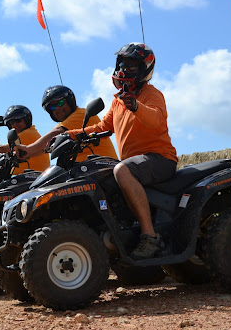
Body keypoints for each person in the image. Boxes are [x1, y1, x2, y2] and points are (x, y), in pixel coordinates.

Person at [65, 43, 177, 260]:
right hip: (135, 164)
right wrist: (71, 135)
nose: (125, 70)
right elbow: (102, 128)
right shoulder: (118, 101)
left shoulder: (152, 95)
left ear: (145, 69)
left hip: (160, 158)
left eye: (132, 66)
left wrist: (135, 105)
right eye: (122, 64)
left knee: (121, 170)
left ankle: (149, 236)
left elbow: (155, 119)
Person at [16, 85, 118, 162]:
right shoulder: (66, 126)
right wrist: (26, 154)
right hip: (84, 170)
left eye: (60, 103)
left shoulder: (81, 114)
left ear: (70, 101)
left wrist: (29, 149)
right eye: (53, 107)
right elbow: (44, 149)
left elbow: (56, 133)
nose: (58, 108)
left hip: (103, 167)